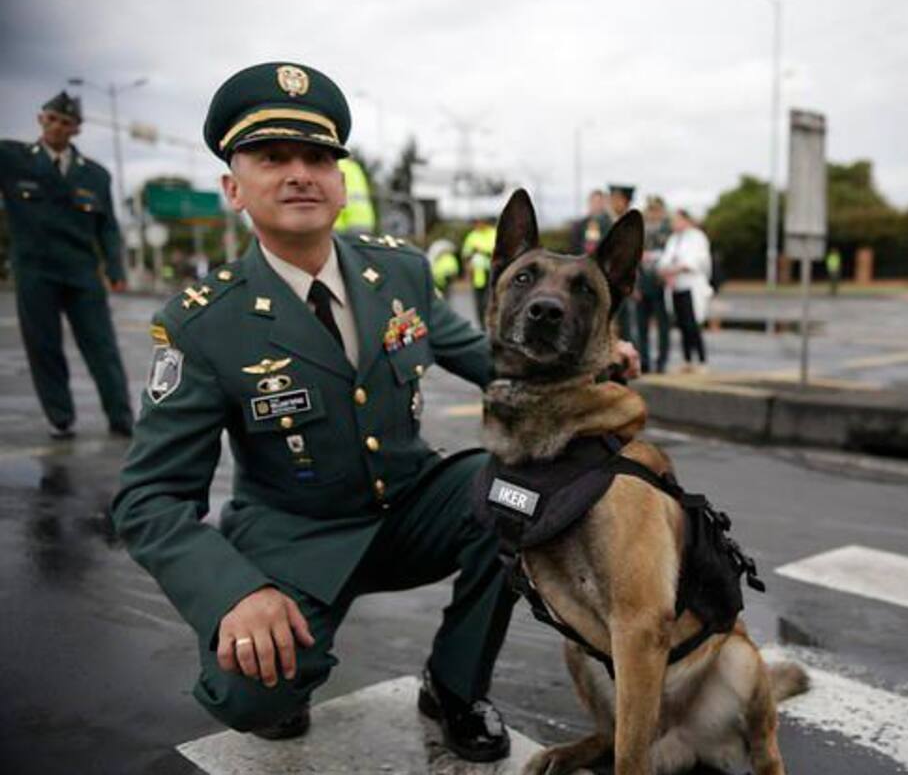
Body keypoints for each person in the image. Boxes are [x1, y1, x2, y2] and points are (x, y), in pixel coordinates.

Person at [111, 62, 519, 761]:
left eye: (319, 157)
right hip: (294, 537)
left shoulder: (400, 271)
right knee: (253, 695)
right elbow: (149, 498)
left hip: (410, 506)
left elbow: (488, 362)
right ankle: (284, 670)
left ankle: (454, 685)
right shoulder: (201, 323)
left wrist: (594, 361)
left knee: (518, 491)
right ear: (233, 188)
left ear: (338, 181)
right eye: (273, 157)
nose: (301, 173)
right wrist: (234, 595)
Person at [0, 90, 133, 438]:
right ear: (40, 119)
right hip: (34, 272)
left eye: (66, 122)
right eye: (52, 119)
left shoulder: (95, 175)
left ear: (77, 130)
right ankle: (60, 417)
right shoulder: (11, 158)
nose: (58, 127)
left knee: (102, 346)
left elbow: (108, 226)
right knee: (44, 346)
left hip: (82, 272)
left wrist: (115, 270)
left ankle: (121, 417)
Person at [657, 209, 713, 373]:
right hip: (675, 287)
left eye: (678, 220)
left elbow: (697, 260)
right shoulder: (673, 239)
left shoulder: (697, 237)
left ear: (686, 220)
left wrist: (676, 269)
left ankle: (702, 360)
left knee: (693, 324)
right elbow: (665, 260)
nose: (674, 224)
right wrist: (665, 270)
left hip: (691, 286)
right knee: (681, 324)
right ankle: (687, 360)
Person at [636, 195, 672, 373]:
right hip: (643, 283)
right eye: (650, 210)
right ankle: (644, 360)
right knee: (642, 326)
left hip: (660, 284)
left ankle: (662, 360)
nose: (653, 213)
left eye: (656, 209)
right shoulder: (641, 229)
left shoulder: (668, 229)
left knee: (662, 326)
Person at [608, 183, 638, 345]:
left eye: (617, 199)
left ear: (626, 201)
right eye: (612, 199)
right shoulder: (602, 222)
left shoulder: (634, 223)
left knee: (629, 324)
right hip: (606, 281)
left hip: (625, 281)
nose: (613, 203)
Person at [461, 216, 496, 328]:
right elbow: (466, 254)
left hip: (492, 273)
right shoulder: (472, 236)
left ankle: (492, 325)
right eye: (476, 222)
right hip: (478, 275)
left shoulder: (493, 233)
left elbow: (496, 252)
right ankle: (482, 327)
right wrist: (467, 270)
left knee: (490, 302)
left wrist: (482, 251)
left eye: (480, 221)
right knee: (479, 304)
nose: (478, 224)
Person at [568, 189, 611, 255]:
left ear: (605, 203)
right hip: (581, 261)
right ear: (589, 202)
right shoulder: (579, 225)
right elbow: (574, 247)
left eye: (599, 202)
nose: (596, 205)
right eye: (594, 201)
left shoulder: (610, 225)